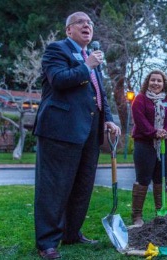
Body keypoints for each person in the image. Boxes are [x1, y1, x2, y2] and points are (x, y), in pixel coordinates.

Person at [33, 12, 121, 259]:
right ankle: (47, 242)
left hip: (89, 132)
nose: (87, 26)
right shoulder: (56, 50)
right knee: (54, 187)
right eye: (81, 22)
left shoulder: (91, 58)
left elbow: (99, 93)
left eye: (90, 23)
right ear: (68, 30)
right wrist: (87, 65)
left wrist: (109, 120)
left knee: (83, 185)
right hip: (60, 130)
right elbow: (59, 80)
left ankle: (71, 233)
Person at [130, 70, 167, 227]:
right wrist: (154, 132)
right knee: (143, 179)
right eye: (153, 80)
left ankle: (160, 211)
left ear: (164, 83)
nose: (156, 83)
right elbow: (140, 119)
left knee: (161, 178)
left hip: (166, 144)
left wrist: (166, 131)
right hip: (145, 144)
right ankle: (137, 216)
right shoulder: (140, 99)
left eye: (159, 81)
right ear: (147, 82)